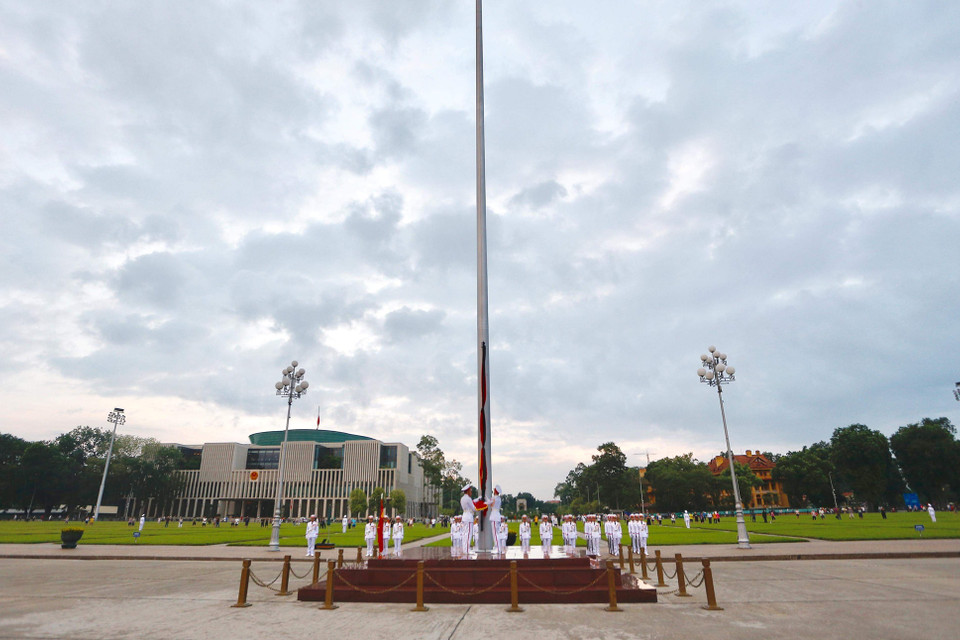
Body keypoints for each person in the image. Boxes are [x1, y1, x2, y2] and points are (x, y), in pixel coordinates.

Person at [460, 485, 477, 556]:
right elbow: (473, 508)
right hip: (469, 517)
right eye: (470, 491)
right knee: (468, 534)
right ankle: (467, 550)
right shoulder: (468, 498)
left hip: (464, 516)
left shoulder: (462, 498)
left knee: (465, 534)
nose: (471, 492)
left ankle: (465, 549)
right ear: (467, 491)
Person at [489, 484, 503, 554]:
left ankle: (498, 549)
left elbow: (490, 504)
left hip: (494, 516)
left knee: (495, 534)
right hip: (497, 516)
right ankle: (498, 547)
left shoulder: (494, 498)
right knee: (497, 533)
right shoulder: (499, 498)